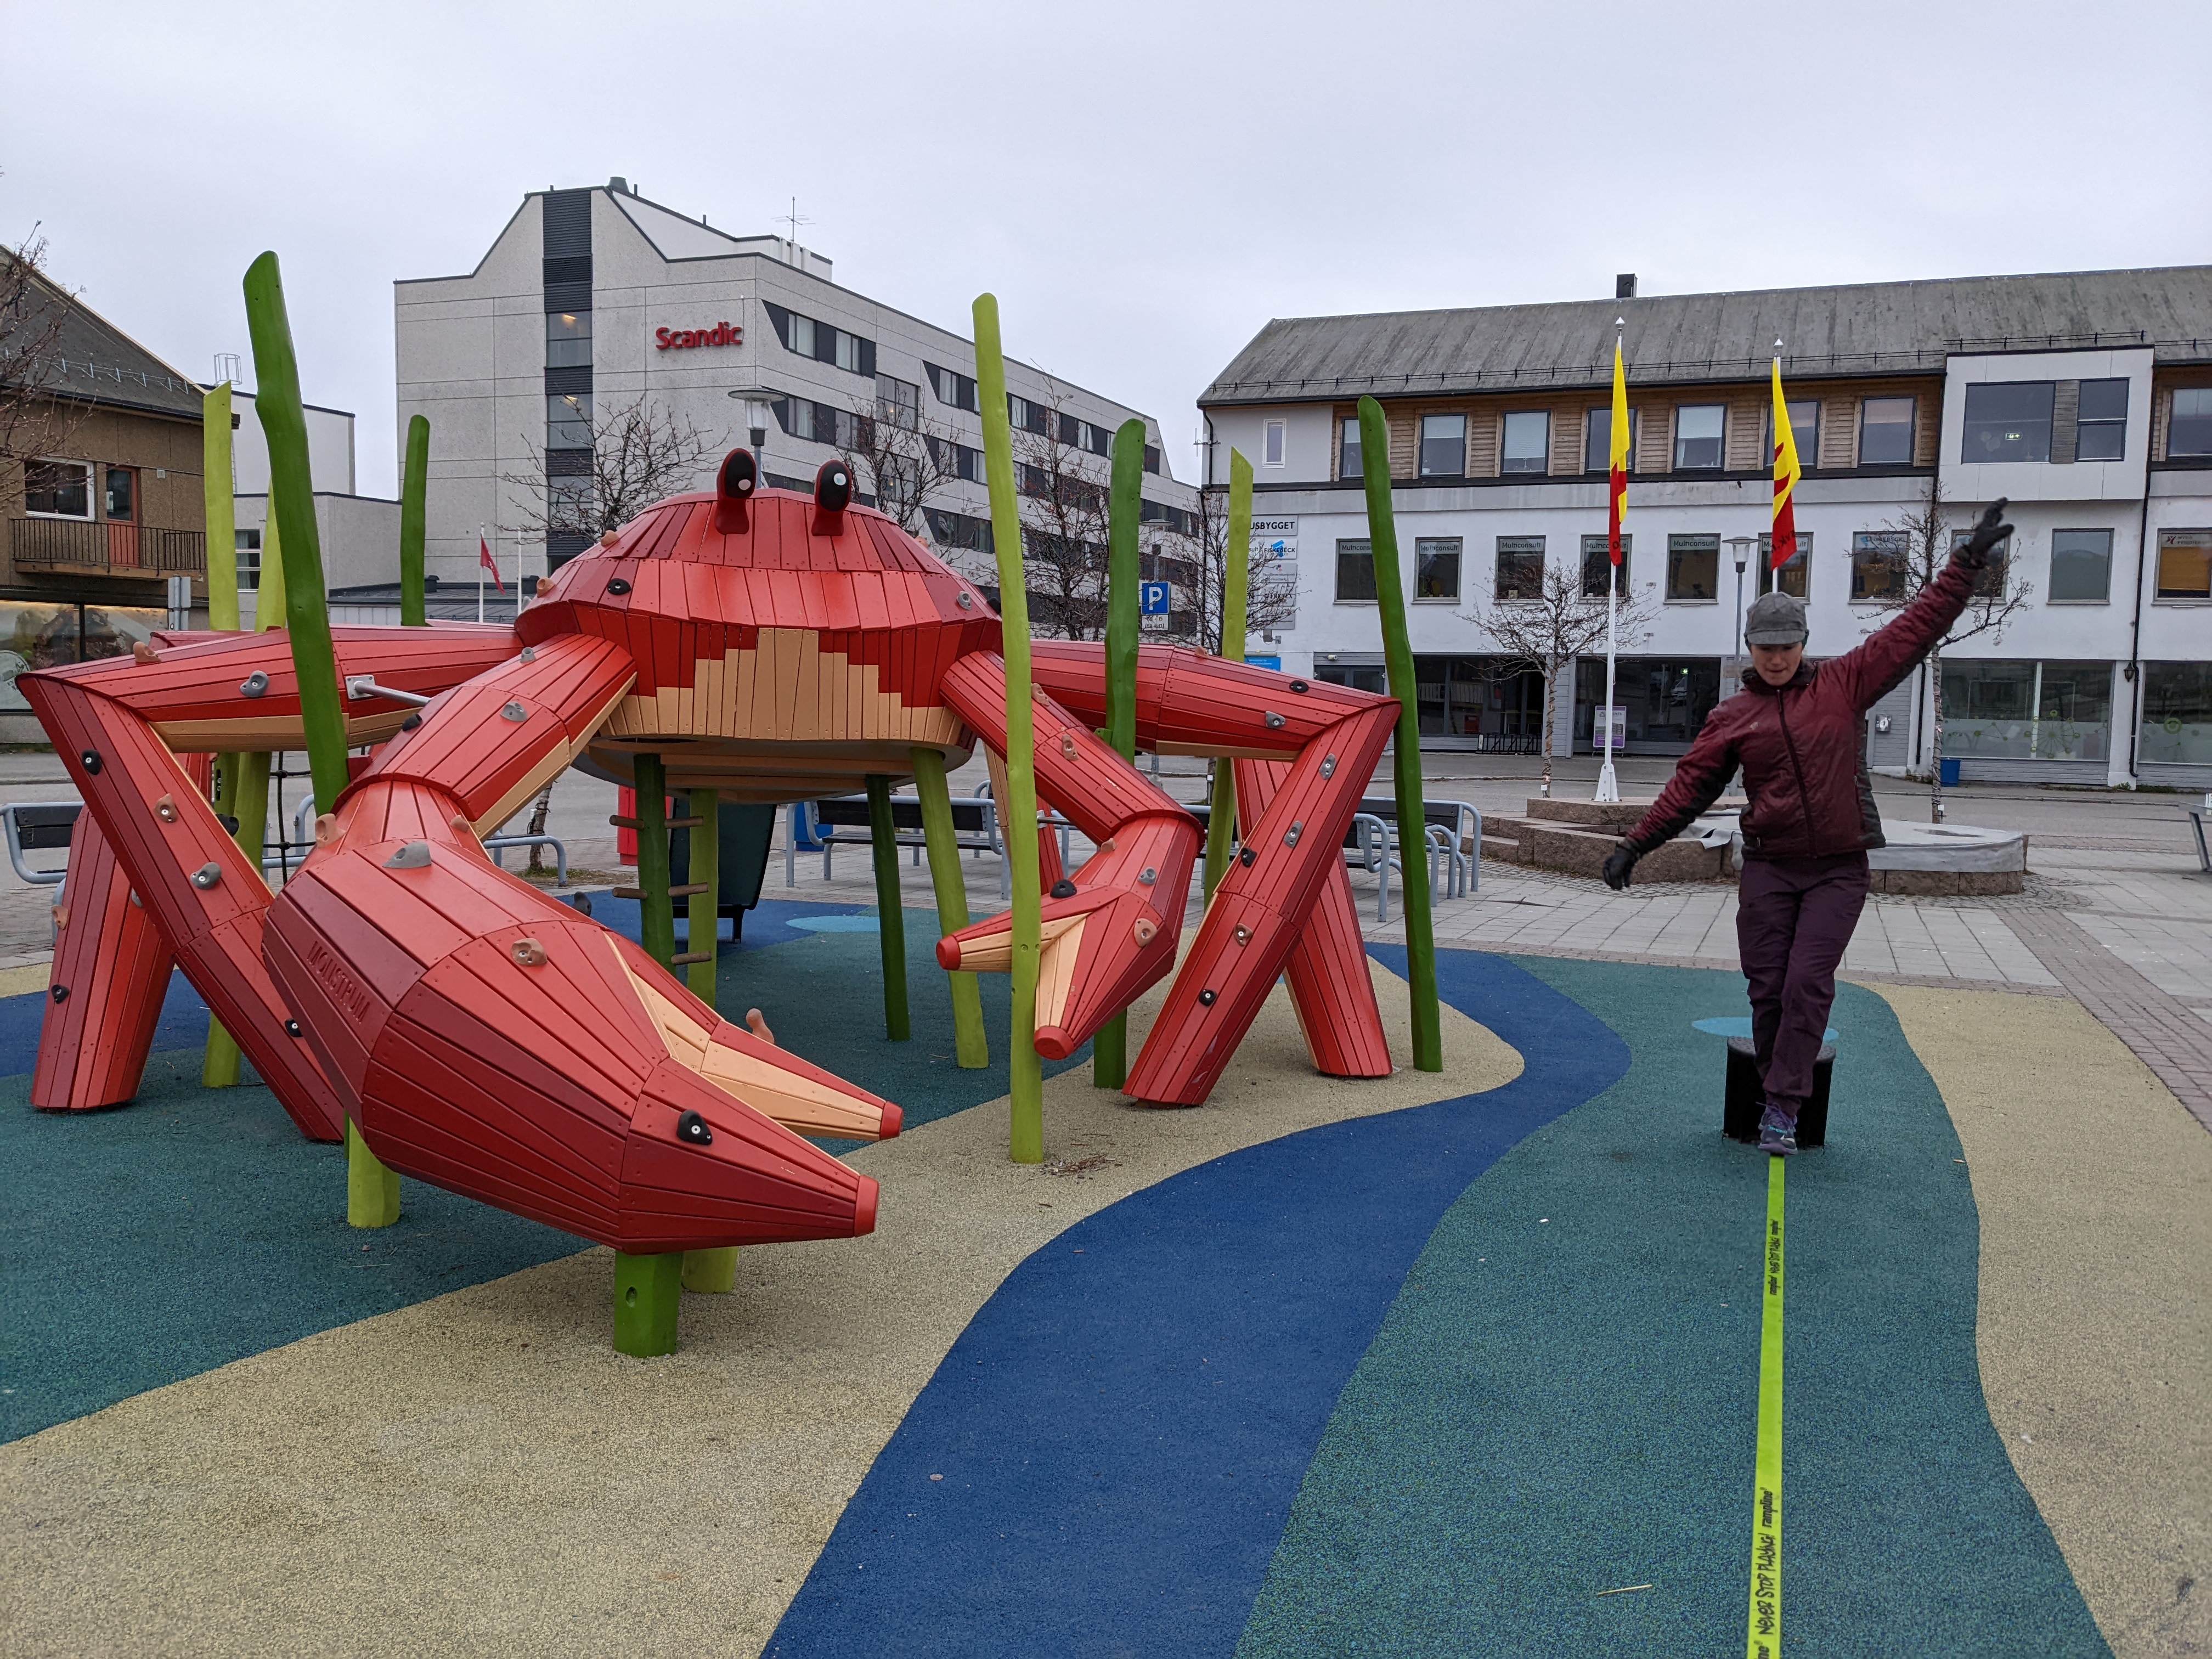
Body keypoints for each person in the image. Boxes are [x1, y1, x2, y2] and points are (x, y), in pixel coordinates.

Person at [1602, 500, 2013, 1155]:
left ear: (1803, 644)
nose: (1775, 659)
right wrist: (1636, 844)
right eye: (1764, 649)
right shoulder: (1732, 716)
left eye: (1786, 647)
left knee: (1806, 983)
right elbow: (1689, 787)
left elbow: (1915, 629)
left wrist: (1964, 566)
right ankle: (1774, 1084)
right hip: (1769, 866)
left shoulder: (1847, 685)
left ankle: (1784, 1108)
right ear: (1750, 648)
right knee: (1766, 987)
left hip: (1837, 870)